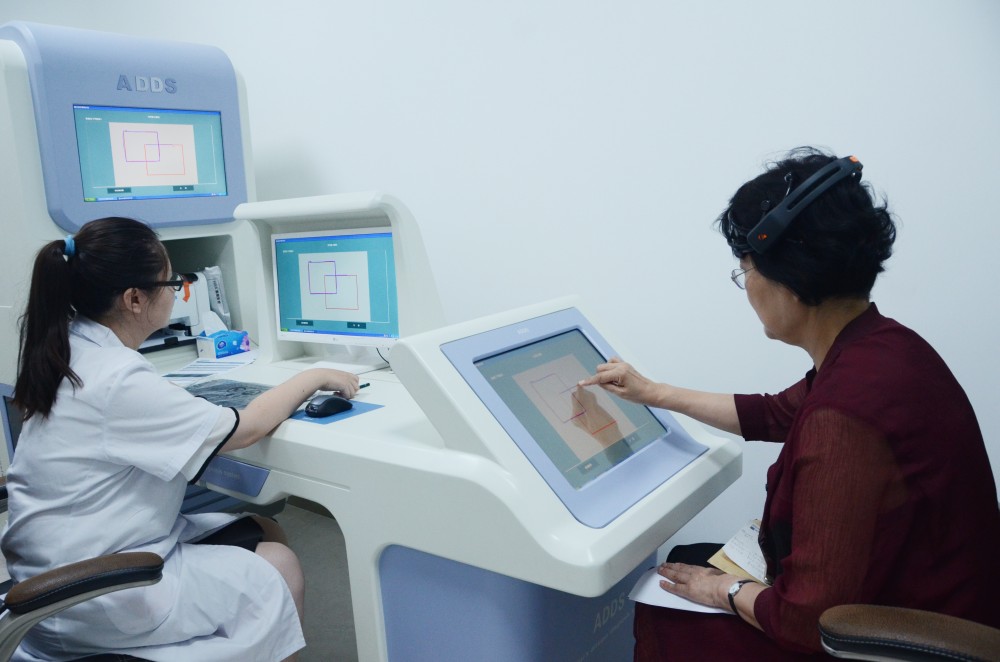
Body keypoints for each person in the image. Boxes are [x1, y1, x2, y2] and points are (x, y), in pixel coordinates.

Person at [580, 148, 1000, 659]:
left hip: (889, 641)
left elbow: (806, 620)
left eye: (746, 271)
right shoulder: (885, 348)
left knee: (668, 611)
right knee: (690, 557)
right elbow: (773, 414)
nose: (747, 288)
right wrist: (652, 392)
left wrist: (726, 590)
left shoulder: (844, 419)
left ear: (791, 280)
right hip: (929, 606)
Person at [1, 217, 360, 661]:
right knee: (279, 568)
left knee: (264, 528)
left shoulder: (73, 349)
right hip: (89, 593)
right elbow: (246, 429)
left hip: (60, 567)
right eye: (172, 283)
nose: (177, 293)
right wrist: (314, 377)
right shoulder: (116, 378)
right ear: (134, 299)